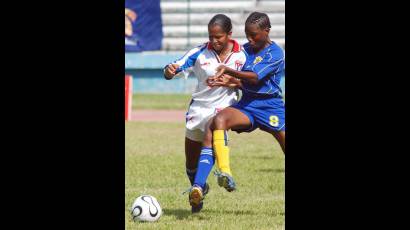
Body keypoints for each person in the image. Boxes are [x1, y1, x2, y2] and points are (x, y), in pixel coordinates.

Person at [188, 11, 285, 211]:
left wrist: (230, 72)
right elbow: (242, 80)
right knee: (217, 121)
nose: (250, 39)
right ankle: (218, 176)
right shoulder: (245, 50)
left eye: (254, 35)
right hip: (247, 105)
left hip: (271, 106)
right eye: (247, 34)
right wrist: (226, 80)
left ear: (266, 31)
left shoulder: (276, 53)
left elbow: (254, 77)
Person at [163, 14, 247, 213]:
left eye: (218, 37)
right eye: (211, 36)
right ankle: (198, 191)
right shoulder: (200, 52)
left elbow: (253, 81)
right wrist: (170, 70)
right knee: (190, 163)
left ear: (229, 35)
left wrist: (233, 82)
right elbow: (172, 69)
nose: (214, 41)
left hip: (225, 108)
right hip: (198, 109)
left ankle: (199, 185)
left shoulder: (243, 54)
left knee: (214, 126)